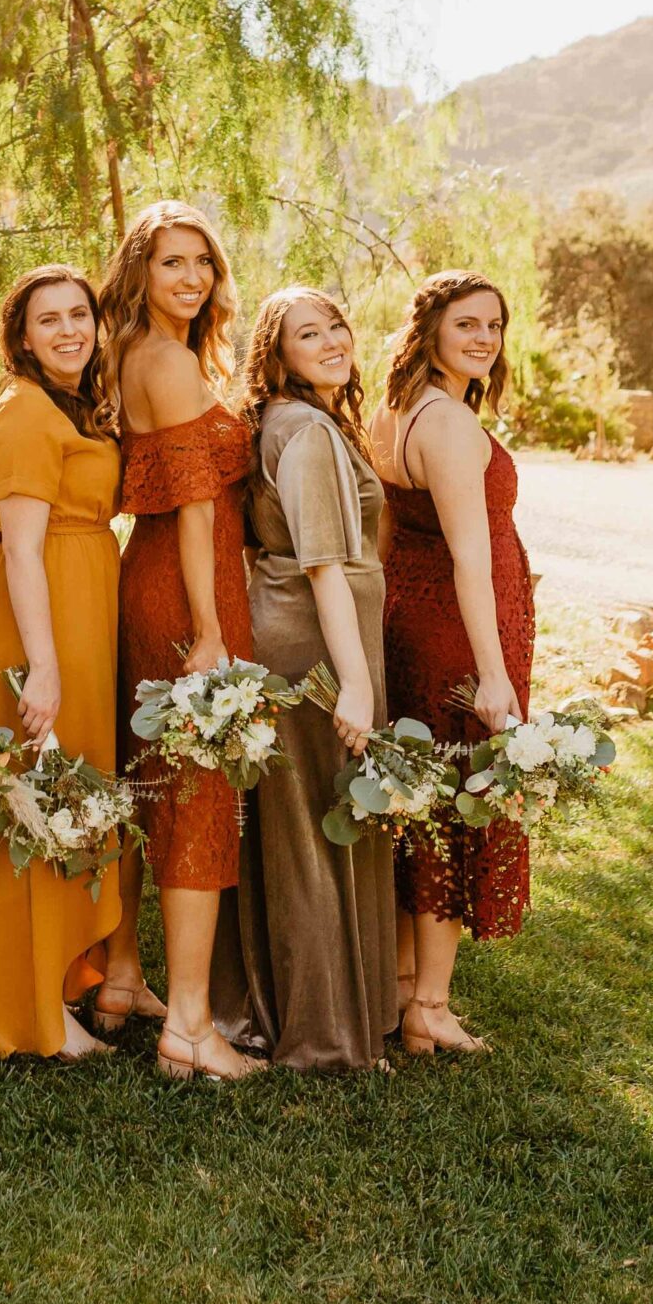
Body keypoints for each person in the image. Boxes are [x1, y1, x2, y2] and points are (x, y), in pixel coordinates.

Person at [98, 201, 255, 1083]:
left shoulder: (131, 353)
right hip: (188, 590)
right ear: (140, 273)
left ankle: (124, 976)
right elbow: (198, 512)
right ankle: (190, 1024)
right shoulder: (165, 361)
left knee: (146, 778)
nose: (192, 278)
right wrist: (209, 633)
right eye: (172, 264)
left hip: (144, 575)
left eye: (202, 262)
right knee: (194, 789)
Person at [232, 287, 399, 1073]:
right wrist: (356, 685)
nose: (331, 339)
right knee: (314, 831)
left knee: (313, 827)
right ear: (278, 354)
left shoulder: (307, 422)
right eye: (309, 332)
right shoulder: (301, 430)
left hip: (316, 639)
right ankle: (322, 1033)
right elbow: (323, 563)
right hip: (314, 652)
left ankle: (320, 1012)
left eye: (336, 323)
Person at [370, 270, 533, 1054]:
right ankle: (429, 1006)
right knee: (450, 801)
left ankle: (404, 981)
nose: (483, 339)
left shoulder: (395, 410)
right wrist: (493, 672)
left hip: (410, 619)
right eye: (466, 324)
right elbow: (472, 561)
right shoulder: (450, 426)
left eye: (494, 326)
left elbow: (389, 540)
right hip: (458, 634)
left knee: (417, 797)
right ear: (430, 329)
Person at [0, 266, 124, 1060]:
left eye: (80, 315)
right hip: (44, 612)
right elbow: (22, 549)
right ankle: (27, 1008)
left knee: (71, 784)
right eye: (49, 319)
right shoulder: (25, 411)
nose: (69, 330)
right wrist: (42, 664)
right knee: (31, 796)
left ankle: (66, 976)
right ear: (21, 336)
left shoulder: (73, 405)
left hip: (85, 599)